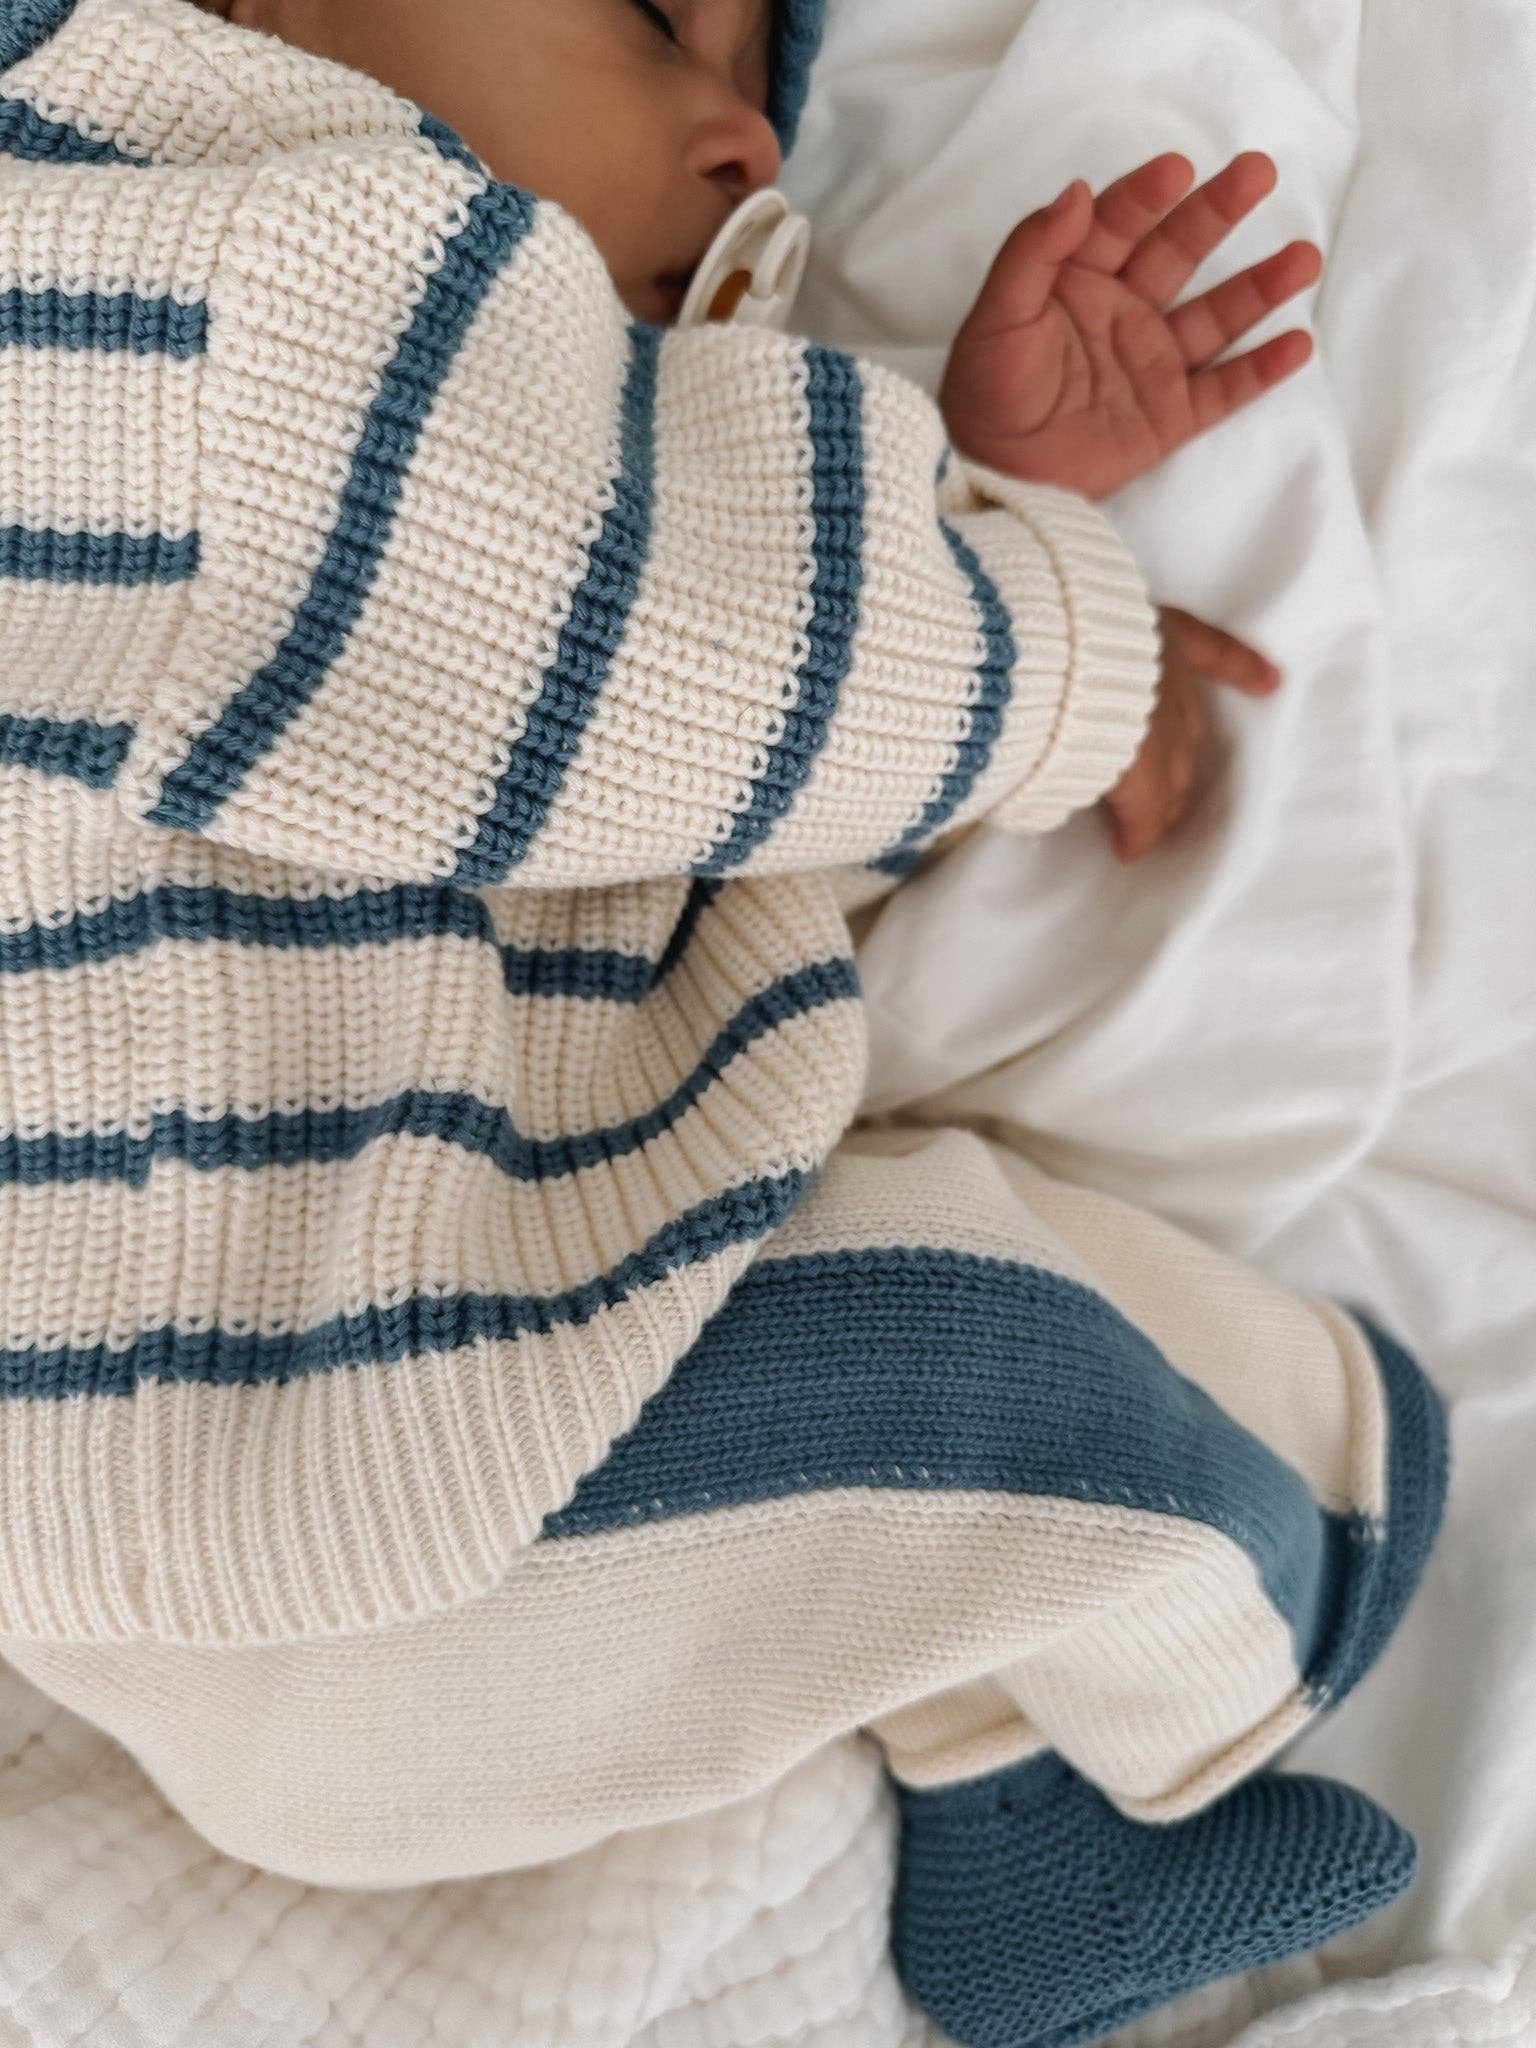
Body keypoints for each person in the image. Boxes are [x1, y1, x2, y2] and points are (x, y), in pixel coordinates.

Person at [0, 4, 1448, 2045]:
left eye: (760, 80)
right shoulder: (147, 263)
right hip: (280, 1440)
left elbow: (664, 798)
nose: (748, 139)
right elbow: (646, 631)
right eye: (651, 17)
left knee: (877, 1385)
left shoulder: (451, 462)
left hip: (333, 1460)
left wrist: (967, 500)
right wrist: (1043, 642)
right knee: (982, 1371)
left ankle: (1021, 1802)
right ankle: (1308, 1547)